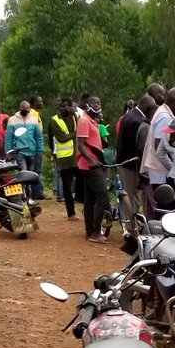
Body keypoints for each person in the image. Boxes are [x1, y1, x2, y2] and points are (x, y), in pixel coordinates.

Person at [75, 96, 111, 242]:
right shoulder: (84, 121)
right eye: (93, 103)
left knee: (90, 199)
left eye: (98, 103)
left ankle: (90, 232)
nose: (96, 105)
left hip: (93, 163)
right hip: (90, 165)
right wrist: (91, 160)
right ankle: (95, 232)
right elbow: (81, 144)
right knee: (103, 196)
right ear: (86, 105)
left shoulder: (93, 121)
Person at [116, 96, 152, 236]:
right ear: (146, 106)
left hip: (128, 163)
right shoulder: (137, 120)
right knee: (131, 197)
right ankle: (131, 230)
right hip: (130, 164)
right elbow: (139, 147)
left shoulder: (130, 115)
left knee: (134, 197)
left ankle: (134, 226)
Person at [7, 103, 45, 199]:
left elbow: (38, 137)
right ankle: (24, 196)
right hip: (19, 151)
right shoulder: (12, 120)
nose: (26, 110)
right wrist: (9, 152)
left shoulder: (34, 119)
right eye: (24, 108)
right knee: (23, 173)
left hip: (32, 151)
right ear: (20, 108)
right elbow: (9, 138)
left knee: (31, 175)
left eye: (27, 108)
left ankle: (29, 195)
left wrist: (40, 151)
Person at [51, 97, 81, 218]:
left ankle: (81, 201)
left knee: (83, 181)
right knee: (67, 186)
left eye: (66, 106)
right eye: (61, 106)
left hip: (78, 156)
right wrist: (75, 134)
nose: (63, 108)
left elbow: (82, 127)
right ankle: (71, 213)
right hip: (65, 158)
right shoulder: (55, 120)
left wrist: (74, 113)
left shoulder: (75, 116)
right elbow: (61, 138)